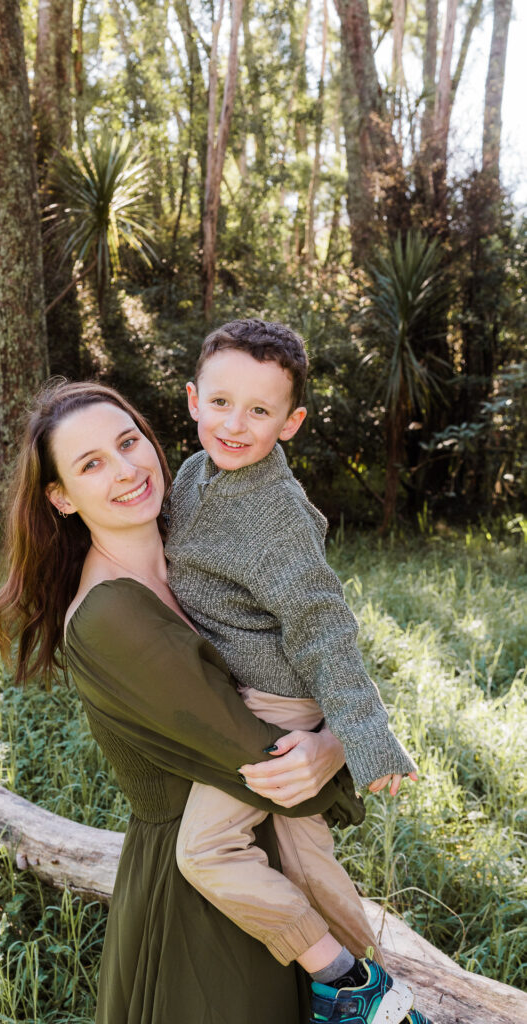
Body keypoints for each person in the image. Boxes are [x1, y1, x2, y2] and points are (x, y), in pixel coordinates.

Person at [0, 378, 366, 1024]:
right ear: (61, 498)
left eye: (128, 442)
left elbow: (315, 640)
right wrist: (339, 737)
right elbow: (268, 760)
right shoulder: (109, 617)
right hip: (202, 908)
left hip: (269, 873)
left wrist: (334, 736)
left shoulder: (197, 554)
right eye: (91, 464)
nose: (127, 470)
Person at [165, 319, 431, 1024]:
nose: (234, 423)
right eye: (220, 402)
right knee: (308, 857)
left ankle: (344, 978)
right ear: (193, 399)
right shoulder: (191, 475)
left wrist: (363, 733)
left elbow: (323, 629)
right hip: (232, 686)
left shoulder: (277, 515)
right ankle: (387, 1003)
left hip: (274, 696)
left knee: (207, 851)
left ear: (291, 423)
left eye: (259, 411)